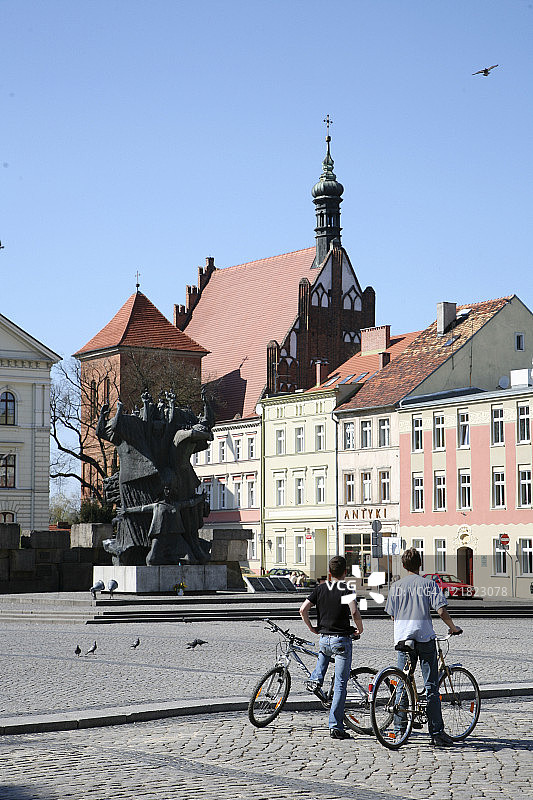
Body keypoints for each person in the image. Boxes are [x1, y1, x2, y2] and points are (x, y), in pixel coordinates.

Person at [384, 547, 462, 747]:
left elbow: (392, 615)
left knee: (402, 683)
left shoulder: (396, 586)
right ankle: (436, 732)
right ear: (420, 564)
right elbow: (441, 611)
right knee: (431, 686)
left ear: (403, 566)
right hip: (424, 637)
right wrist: (453, 628)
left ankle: (400, 730)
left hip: (403, 639)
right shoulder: (429, 584)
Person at [299, 555, 363, 740]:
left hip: (324, 639)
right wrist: (360, 629)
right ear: (345, 572)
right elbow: (354, 611)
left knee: (323, 657)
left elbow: (303, 609)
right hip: (341, 640)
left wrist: (311, 628)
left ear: (329, 572)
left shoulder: (320, 588)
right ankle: (335, 726)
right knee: (341, 684)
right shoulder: (346, 589)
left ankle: (316, 679)